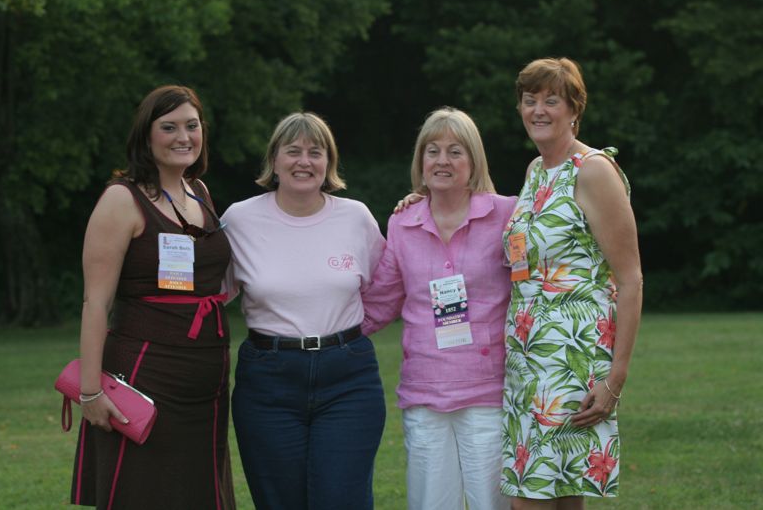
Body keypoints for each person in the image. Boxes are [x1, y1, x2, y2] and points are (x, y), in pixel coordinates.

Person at [71, 85, 235, 509]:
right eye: (169, 127)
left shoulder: (199, 191)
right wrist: (90, 392)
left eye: (192, 126)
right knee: (142, 493)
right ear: (146, 136)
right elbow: (95, 304)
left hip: (207, 378)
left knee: (199, 493)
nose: (184, 137)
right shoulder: (120, 200)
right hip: (145, 377)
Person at [221, 112, 387, 510]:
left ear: (328, 162)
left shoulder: (356, 217)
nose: (304, 161)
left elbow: (389, 286)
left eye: (315, 152)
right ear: (273, 161)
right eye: (292, 151)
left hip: (348, 379)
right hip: (268, 381)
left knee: (342, 499)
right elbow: (208, 297)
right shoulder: (238, 220)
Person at [500, 58, 643, 508]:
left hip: (570, 361)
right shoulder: (535, 171)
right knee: (562, 497)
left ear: (574, 110)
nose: (538, 110)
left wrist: (615, 379)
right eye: (529, 100)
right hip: (528, 361)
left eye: (551, 100)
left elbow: (631, 278)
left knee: (530, 497)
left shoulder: (593, 170)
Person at [363, 107, 516, 510]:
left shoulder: (506, 214)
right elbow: (381, 300)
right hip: (424, 390)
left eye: (454, 151)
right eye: (432, 151)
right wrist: (325, 329)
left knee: (492, 504)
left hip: (489, 392)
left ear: (474, 161)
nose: (442, 161)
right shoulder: (403, 223)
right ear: (420, 160)